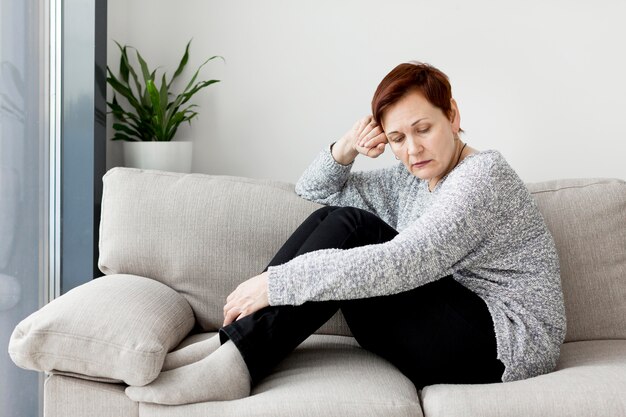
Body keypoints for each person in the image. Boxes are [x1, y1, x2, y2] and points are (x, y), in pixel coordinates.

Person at [126, 62, 567, 405]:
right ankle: (231, 350)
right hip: (450, 325)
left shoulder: (482, 177)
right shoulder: (411, 178)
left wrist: (277, 284)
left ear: (452, 115)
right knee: (339, 218)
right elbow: (314, 191)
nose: (411, 150)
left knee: (357, 228)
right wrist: (348, 147)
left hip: (503, 347)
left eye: (423, 129)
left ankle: (236, 361)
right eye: (397, 138)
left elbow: (406, 261)